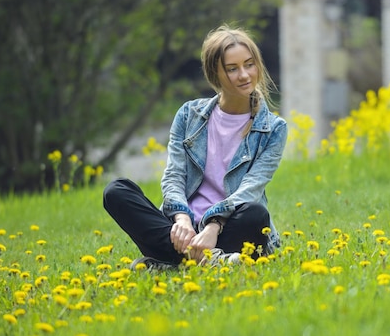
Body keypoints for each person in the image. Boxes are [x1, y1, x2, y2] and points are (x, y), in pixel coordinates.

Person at [103, 25, 287, 270]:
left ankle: (171, 264)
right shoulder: (189, 115)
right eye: (232, 69)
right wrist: (182, 219)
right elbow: (174, 176)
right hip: (181, 232)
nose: (244, 75)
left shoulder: (274, 128)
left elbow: (251, 188)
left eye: (249, 64)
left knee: (255, 214)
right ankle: (210, 262)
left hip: (229, 227)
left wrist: (213, 226)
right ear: (215, 74)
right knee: (116, 191)